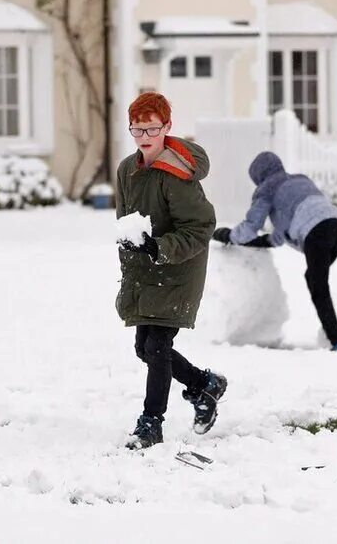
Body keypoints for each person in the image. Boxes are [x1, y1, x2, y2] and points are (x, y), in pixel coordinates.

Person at [115, 92, 227, 450]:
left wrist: (159, 248)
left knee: (158, 346)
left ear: (167, 127)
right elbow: (126, 219)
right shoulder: (126, 170)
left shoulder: (176, 174)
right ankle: (203, 384)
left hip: (178, 268)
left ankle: (151, 423)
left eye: (152, 128)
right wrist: (133, 246)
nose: (144, 136)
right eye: (137, 128)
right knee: (144, 348)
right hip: (146, 268)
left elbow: (201, 226)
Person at [212, 151, 337, 352]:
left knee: (317, 284)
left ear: (258, 177)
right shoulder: (299, 180)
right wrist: (265, 241)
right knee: (316, 280)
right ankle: (332, 333)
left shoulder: (266, 189)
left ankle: (336, 341)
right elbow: (287, 225)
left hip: (316, 232)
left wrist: (229, 236)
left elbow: (251, 225)